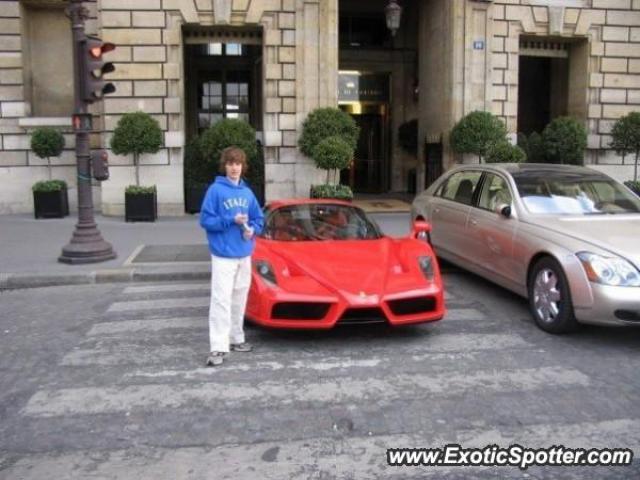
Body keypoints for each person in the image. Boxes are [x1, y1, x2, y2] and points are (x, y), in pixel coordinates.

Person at [199, 146, 264, 367]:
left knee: (239, 298)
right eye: (230, 163)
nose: (234, 167)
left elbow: (259, 218)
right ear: (224, 166)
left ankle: (236, 338)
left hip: (244, 252)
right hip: (223, 255)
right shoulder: (215, 191)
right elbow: (206, 221)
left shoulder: (247, 193)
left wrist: (252, 230)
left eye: (237, 163)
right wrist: (230, 220)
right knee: (221, 300)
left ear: (242, 166)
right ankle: (218, 346)